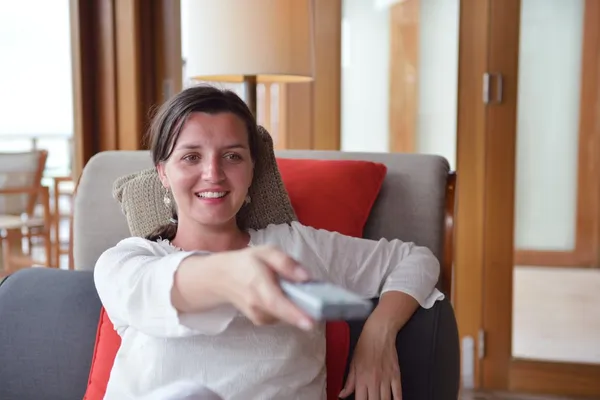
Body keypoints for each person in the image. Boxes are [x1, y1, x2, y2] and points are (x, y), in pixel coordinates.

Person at [94, 85, 444, 400]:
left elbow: (415, 261)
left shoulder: (296, 248)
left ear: (251, 170)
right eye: (191, 157)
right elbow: (154, 289)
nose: (213, 173)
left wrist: (378, 332)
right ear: (163, 173)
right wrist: (234, 275)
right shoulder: (129, 261)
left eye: (232, 156)